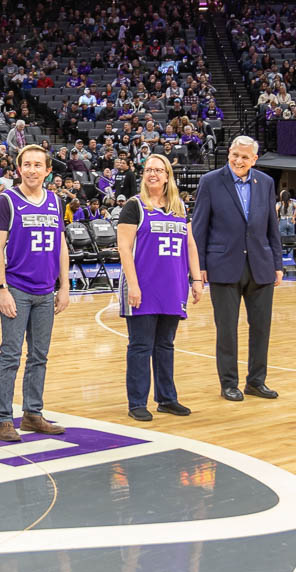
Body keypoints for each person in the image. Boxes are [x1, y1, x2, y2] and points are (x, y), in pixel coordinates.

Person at [192, 136, 283, 402]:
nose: (238, 161)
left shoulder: (265, 183)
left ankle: (256, 381)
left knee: (262, 328)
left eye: (245, 157)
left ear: (254, 159)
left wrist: (277, 263)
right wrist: (200, 267)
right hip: (223, 266)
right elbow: (199, 227)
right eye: (235, 155)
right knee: (227, 329)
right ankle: (229, 383)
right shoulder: (210, 181)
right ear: (229, 153)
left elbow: (271, 226)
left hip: (261, 266)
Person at [0, 144, 70, 442]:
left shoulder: (55, 201)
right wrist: (2, 290)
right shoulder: (6, 201)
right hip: (17, 290)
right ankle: (2, 419)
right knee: (10, 355)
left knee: (39, 356)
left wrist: (64, 286)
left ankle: (33, 414)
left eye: (38, 165)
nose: (33, 169)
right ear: (19, 168)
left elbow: (61, 245)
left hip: (46, 291)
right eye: (28, 164)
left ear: (48, 170)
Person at [118, 154, 203, 421]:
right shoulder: (134, 206)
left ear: (168, 175)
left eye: (158, 170)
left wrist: (197, 279)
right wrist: (132, 284)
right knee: (141, 345)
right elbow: (123, 247)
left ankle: (167, 399)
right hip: (142, 286)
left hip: (173, 286)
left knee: (165, 344)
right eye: (148, 170)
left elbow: (190, 244)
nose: (152, 174)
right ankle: (137, 402)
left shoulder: (179, 206)